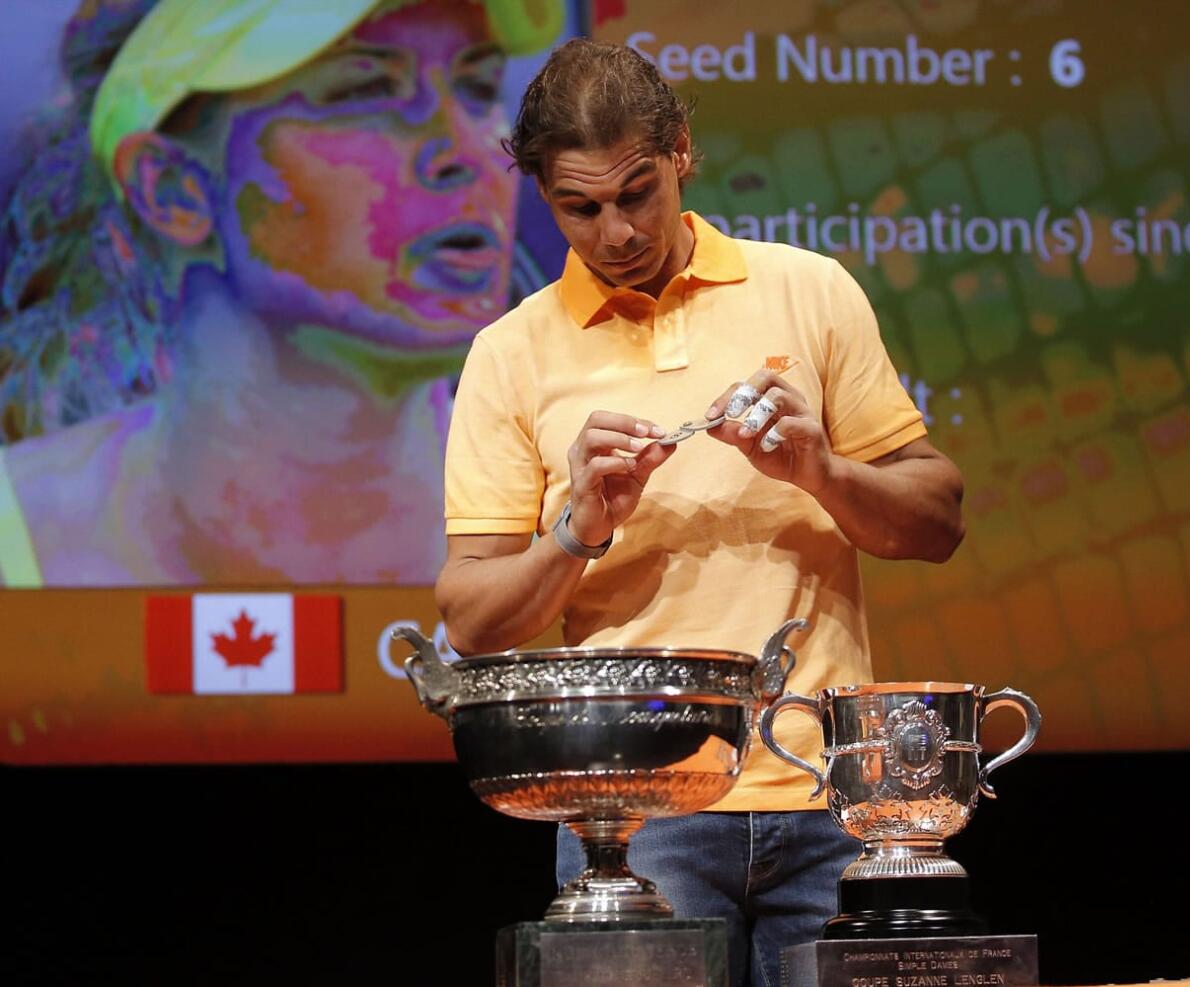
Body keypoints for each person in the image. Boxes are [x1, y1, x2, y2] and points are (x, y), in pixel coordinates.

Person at [435, 38, 966, 987]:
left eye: (636, 192)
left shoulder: (809, 290)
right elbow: (472, 622)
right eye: (579, 207)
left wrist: (820, 467)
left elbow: (936, 521)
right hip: (637, 815)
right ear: (541, 194)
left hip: (829, 795)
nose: (614, 234)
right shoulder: (508, 353)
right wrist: (578, 531)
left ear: (683, 151)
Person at [0, 0, 561, 587]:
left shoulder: (584, 521)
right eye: (364, 90)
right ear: (173, 191)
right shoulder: (20, 532)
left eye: (479, 87)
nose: (468, 150)